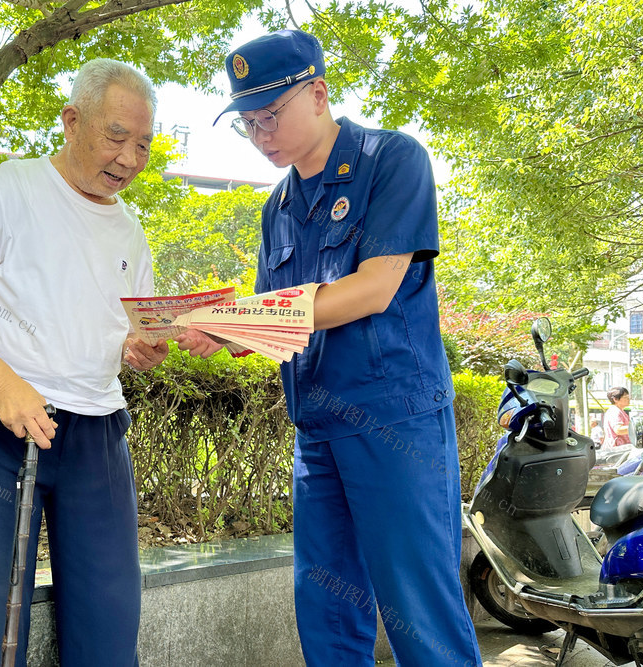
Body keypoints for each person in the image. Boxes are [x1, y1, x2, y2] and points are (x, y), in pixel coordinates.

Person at [181, 30, 482, 666]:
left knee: (418, 611)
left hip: (392, 417)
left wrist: (243, 315)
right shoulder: (278, 207)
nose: (260, 135)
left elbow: (372, 290)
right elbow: (276, 319)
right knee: (326, 614)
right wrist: (213, 329)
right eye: (247, 123)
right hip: (316, 428)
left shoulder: (391, 159)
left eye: (270, 115)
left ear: (317, 94)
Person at [0, 58, 169, 666]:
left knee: (109, 627)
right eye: (116, 136)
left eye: (143, 144)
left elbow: (124, 334)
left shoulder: (130, 230)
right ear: (72, 121)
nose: (130, 158)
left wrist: (138, 350)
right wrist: (5, 384)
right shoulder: (8, 188)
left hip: (99, 434)